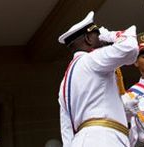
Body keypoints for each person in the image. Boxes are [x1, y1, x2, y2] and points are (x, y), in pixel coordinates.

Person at [58, 11, 138, 146]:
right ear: (88, 39)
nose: (101, 40)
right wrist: (112, 35)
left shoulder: (64, 83)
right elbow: (130, 48)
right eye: (98, 36)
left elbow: (66, 129)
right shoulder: (92, 59)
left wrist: (123, 109)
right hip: (104, 139)